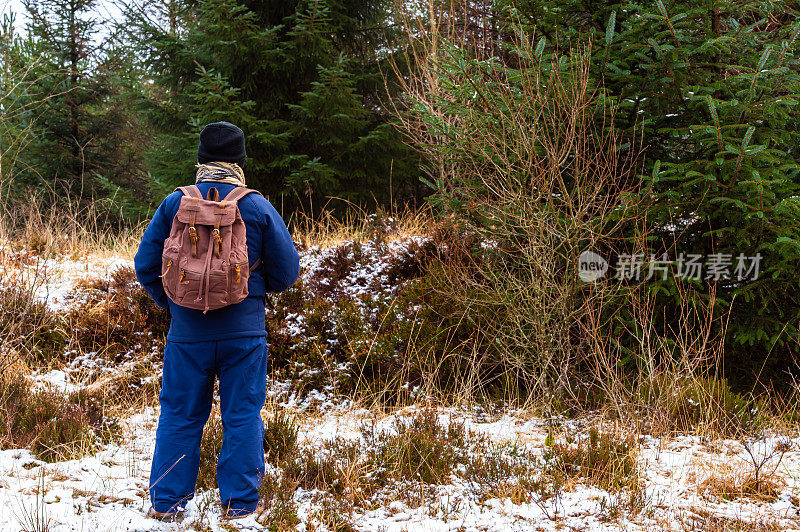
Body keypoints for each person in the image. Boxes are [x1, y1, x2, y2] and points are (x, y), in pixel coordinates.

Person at [134, 121, 300, 521]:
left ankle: (167, 505)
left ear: (201, 159)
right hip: (244, 334)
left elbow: (144, 265)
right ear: (240, 160)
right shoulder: (256, 205)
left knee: (179, 415)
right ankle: (239, 507)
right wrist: (254, 293)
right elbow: (288, 271)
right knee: (242, 416)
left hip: (186, 335)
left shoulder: (175, 203)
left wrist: (175, 303)